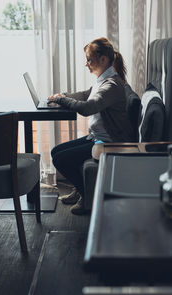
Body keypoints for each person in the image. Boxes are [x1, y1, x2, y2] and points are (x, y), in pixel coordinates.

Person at [48, 37, 136, 215]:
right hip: (97, 137)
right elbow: (86, 94)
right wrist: (62, 96)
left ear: (103, 59)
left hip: (110, 141)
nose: (86, 64)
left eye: (89, 60)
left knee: (60, 159)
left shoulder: (112, 84)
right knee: (56, 152)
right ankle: (81, 190)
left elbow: (88, 107)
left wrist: (63, 100)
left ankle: (86, 196)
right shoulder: (103, 80)